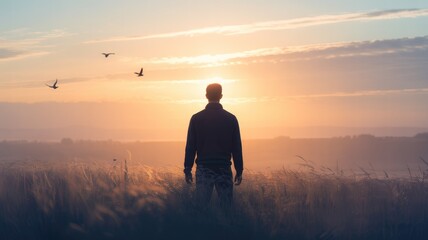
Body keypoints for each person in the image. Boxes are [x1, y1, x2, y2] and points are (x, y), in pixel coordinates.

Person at [184, 83, 243, 208]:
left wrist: (187, 168)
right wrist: (239, 169)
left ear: (206, 95)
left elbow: (191, 146)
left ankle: (204, 228)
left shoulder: (196, 118)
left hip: (204, 168)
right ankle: (225, 228)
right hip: (223, 168)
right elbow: (236, 147)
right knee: (226, 207)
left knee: (201, 207)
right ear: (221, 96)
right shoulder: (231, 119)